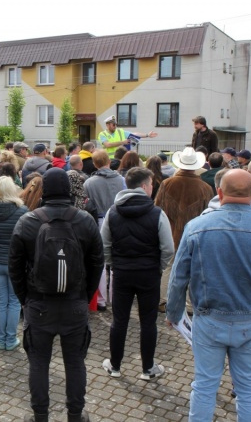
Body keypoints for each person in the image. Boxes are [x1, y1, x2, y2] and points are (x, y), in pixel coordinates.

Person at [166, 169, 251, 421]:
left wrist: (174, 313)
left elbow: (178, 278)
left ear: (219, 193)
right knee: (248, 387)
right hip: (250, 320)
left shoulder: (196, 227)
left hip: (208, 319)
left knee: (205, 385)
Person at [9, 168, 104, 422]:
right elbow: (97, 263)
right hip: (75, 304)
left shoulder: (27, 221)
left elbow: (14, 268)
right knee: (75, 363)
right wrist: (85, 296)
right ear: (69, 190)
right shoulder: (85, 221)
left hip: (39, 305)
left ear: (44, 191)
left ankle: (40, 416)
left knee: (39, 363)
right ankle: (75, 415)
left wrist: (25, 299)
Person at [100, 167, 174, 380]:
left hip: (122, 273)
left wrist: (114, 264)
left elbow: (104, 244)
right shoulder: (157, 213)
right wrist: (158, 267)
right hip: (149, 274)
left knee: (119, 320)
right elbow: (168, 248)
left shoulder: (113, 212)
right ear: (143, 186)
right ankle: (148, 368)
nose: (152, 188)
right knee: (148, 322)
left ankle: (115, 366)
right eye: (151, 184)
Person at [154, 147, 213, 310]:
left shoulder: (167, 184)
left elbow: (157, 210)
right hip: (195, 235)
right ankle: (188, 304)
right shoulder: (205, 188)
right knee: (193, 268)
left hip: (169, 234)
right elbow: (208, 215)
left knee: (168, 266)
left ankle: (162, 301)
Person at [0, 176, 28, 350]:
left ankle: (1, 340)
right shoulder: (22, 211)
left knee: (0, 302)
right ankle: (10, 339)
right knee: (14, 301)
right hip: (15, 263)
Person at [84, 149, 126, 310]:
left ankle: (101, 300)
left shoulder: (89, 183)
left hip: (99, 221)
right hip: (119, 220)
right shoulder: (122, 180)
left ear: (95, 164)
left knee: (99, 261)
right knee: (117, 259)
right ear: (109, 161)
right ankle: (116, 298)